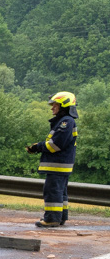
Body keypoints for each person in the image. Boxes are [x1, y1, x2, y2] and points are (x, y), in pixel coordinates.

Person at [27, 91, 78, 227]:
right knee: (60, 193)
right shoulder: (65, 121)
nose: (52, 107)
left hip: (58, 165)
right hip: (60, 166)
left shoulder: (66, 122)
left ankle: (51, 219)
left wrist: (38, 147)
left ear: (63, 106)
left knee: (52, 191)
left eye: (55, 104)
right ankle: (60, 217)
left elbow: (56, 144)